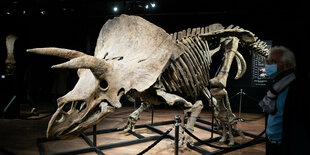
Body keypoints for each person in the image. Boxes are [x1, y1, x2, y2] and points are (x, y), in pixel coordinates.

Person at [259, 46, 296, 155]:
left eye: (273, 62)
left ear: (287, 66)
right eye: (267, 61)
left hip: (287, 145)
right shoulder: (273, 85)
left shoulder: (295, 87)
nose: (268, 65)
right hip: (271, 142)